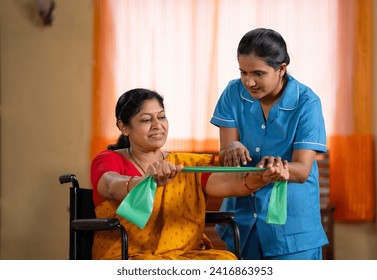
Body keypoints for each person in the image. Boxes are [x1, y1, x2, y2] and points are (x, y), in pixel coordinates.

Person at [90, 88, 287, 260]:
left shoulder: (186, 164)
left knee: (225, 261)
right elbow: (111, 185)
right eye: (146, 120)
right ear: (124, 127)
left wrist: (262, 177)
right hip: (127, 256)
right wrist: (147, 182)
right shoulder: (109, 159)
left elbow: (227, 183)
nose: (157, 125)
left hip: (184, 255)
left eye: (161, 116)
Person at [210, 28, 328, 260]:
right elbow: (225, 158)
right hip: (241, 223)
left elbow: (302, 170)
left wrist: (276, 169)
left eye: (258, 73)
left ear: (281, 68)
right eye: (243, 72)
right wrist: (231, 148)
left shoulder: (307, 103)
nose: (249, 81)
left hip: (292, 229)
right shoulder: (232, 93)